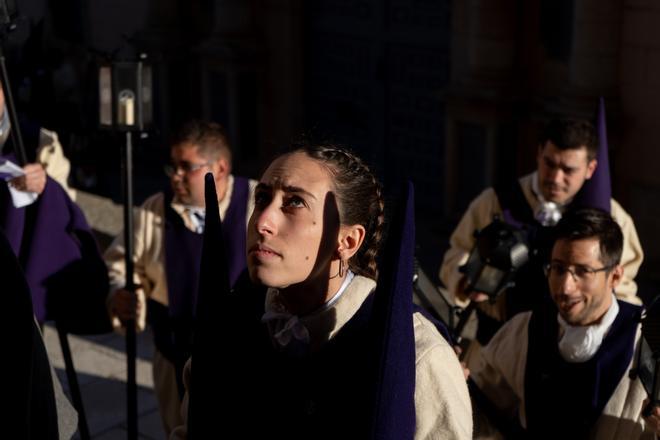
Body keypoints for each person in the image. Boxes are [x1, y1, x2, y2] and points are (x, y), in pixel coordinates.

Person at [171, 145, 473, 439]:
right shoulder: (233, 321)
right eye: (262, 198)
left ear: (348, 241)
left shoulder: (418, 356)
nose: (263, 222)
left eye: (295, 203)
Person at [104, 120, 256, 435]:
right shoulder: (154, 210)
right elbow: (119, 264)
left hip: (247, 358)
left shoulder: (256, 203)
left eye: (186, 167)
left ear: (221, 167)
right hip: (175, 354)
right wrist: (122, 290)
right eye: (172, 166)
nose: (175, 176)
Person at [439, 118, 643, 349]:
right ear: (538, 153)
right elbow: (456, 254)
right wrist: (468, 281)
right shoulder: (496, 202)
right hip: (495, 342)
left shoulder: (611, 218)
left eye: (568, 170)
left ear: (591, 169)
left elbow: (622, 288)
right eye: (549, 163)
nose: (555, 178)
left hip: (568, 348)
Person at [470, 208, 658, 439]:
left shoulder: (649, 341)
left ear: (615, 277)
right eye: (558, 268)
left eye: (583, 271)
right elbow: (479, 413)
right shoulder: (524, 330)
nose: (565, 287)